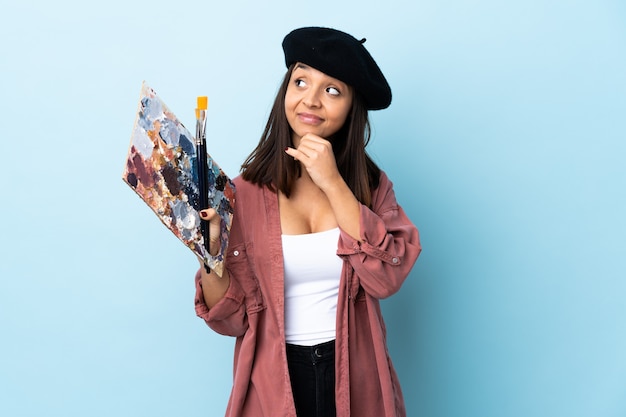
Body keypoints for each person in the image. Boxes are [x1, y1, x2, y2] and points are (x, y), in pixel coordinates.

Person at [194, 26, 421, 417]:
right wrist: (209, 252)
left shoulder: (371, 187)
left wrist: (333, 183)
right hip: (274, 379)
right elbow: (231, 321)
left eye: (332, 90)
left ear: (352, 108)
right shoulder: (242, 193)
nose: (311, 100)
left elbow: (387, 278)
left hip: (355, 373)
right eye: (300, 81)